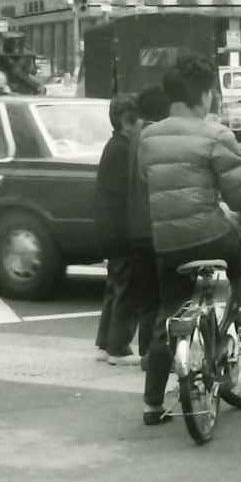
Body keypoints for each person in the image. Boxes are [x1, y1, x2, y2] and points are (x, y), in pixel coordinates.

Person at [136, 53, 241, 426]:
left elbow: (146, 182)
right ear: (205, 95)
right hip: (208, 235)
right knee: (237, 244)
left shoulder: (147, 137)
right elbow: (240, 193)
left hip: (165, 242)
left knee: (169, 314)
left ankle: (151, 405)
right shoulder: (216, 134)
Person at [117, 86, 172, 369]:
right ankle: (154, 353)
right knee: (162, 293)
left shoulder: (137, 134)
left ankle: (145, 352)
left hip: (136, 225)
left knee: (148, 294)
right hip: (154, 224)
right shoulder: (153, 136)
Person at [94, 94, 144, 365]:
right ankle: (119, 347)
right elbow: (130, 193)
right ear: (128, 120)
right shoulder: (124, 150)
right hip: (122, 230)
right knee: (129, 288)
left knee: (115, 285)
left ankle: (105, 343)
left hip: (108, 228)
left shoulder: (112, 145)